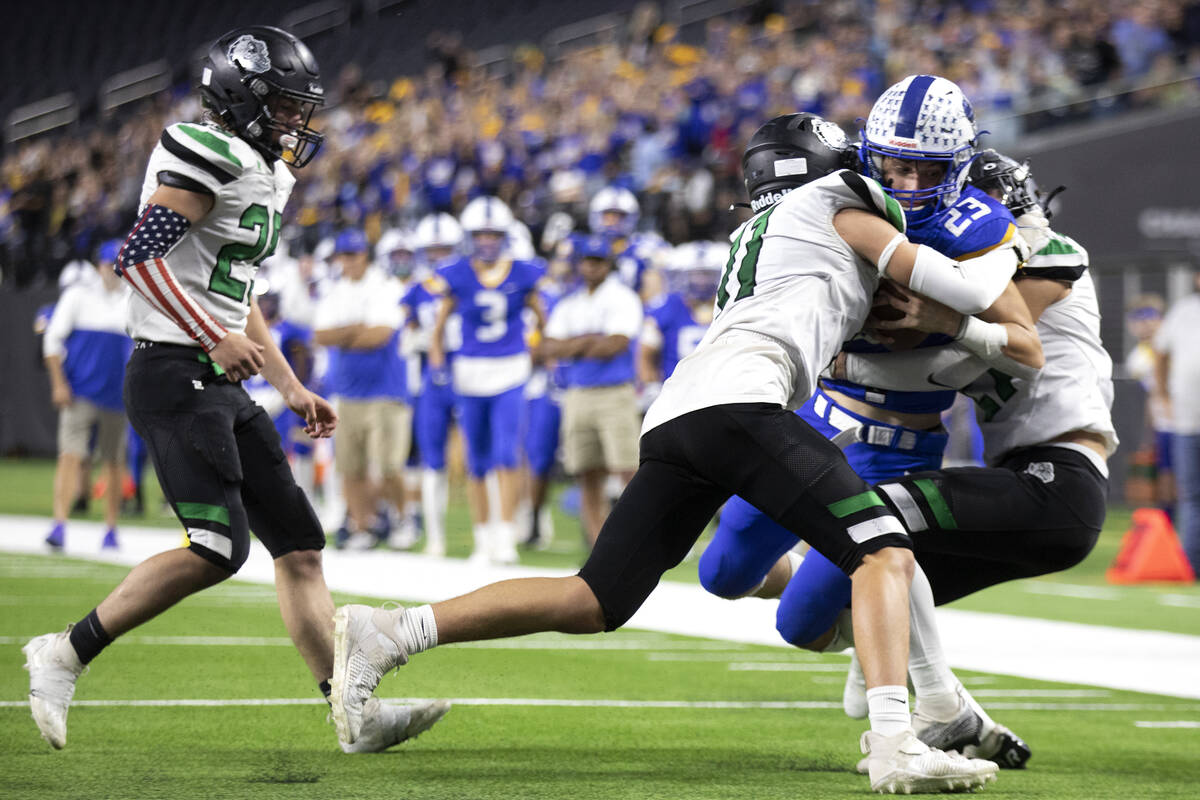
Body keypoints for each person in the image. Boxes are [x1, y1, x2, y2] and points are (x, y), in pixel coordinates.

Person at [330, 113, 1019, 794]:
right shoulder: (838, 205)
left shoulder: (761, 234)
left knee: (593, 599)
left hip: (680, 413)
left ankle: (393, 632)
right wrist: (1015, 245)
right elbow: (963, 290)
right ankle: (897, 740)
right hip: (741, 404)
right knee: (882, 551)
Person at [22, 25, 447, 754]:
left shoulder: (260, 169)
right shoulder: (203, 152)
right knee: (219, 546)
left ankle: (350, 712)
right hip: (171, 370)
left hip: (218, 377)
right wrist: (211, 335)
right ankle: (64, 651)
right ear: (239, 99)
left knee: (302, 546)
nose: (294, 122)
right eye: (283, 106)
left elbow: (235, 293)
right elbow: (138, 258)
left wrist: (291, 381)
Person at [697, 79, 1040, 761]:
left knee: (800, 627)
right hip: (817, 424)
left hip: (896, 450)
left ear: (961, 168)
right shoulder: (842, 199)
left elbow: (1027, 351)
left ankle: (884, 636)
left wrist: (956, 325)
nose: (908, 183)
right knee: (722, 573)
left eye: (927, 170)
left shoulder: (974, 228)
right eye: (895, 166)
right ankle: (875, 616)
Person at [810, 150, 1114, 766]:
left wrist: (921, 319)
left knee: (876, 515)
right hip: (1025, 482)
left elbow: (972, 334)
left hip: (1058, 481)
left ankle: (938, 706)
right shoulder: (991, 270)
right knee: (855, 597)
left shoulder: (1051, 259)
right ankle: (957, 717)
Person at [431, 196, 545, 565]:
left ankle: (506, 533)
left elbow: (543, 319)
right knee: (476, 458)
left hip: (511, 367)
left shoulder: (524, 272)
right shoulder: (457, 273)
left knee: (506, 452)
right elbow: (438, 328)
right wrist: (437, 364)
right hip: (469, 369)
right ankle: (483, 536)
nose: (487, 241)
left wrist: (542, 352)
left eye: (493, 234)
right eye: (480, 234)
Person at [540, 234, 644, 549]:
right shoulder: (570, 301)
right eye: (587, 261)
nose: (591, 267)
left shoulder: (622, 297)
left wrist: (576, 344)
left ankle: (637, 544)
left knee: (627, 470)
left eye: (597, 261)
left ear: (607, 265)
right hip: (578, 392)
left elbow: (615, 344)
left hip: (615, 391)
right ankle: (599, 548)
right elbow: (549, 346)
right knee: (586, 472)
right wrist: (589, 340)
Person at [313, 228, 409, 549]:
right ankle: (362, 526)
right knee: (350, 466)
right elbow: (320, 336)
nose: (348, 262)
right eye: (344, 255)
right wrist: (356, 329)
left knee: (388, 465)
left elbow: (379, 336)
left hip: (386, 389)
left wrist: (346, 335)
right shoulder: (335, 290)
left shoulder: (385, 286)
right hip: (347, 390)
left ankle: (402, 517)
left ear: (364, 255)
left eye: (353, 255)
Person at [43, 239, 132, 551]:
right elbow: (52, 342)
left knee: (113, 462)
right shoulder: (79, 296)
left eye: (119, 265)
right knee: (70, 456)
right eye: (110, 264)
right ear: (100, 266)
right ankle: (59, 524)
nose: (114, 271)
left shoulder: (133, 300)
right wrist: (59, 384)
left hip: (116, 395)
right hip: (80, 391)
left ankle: (110, 529)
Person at [402, 212, 465, 557]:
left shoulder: (469, 279)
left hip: (470, 365)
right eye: (433, 248)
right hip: (432, 371)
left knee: (487, 453)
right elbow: (407, 332)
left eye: (446, 248)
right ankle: (436, 537)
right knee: (432, 456)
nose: (439, 255)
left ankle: (498, 532)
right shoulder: (417, 289)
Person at [1154, 271, 1200, 574]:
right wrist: (1163, 394)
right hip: (1187, 421)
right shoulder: (1184, 310)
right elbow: (1160, 353)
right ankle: (1191, 565)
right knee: (1190, 495)